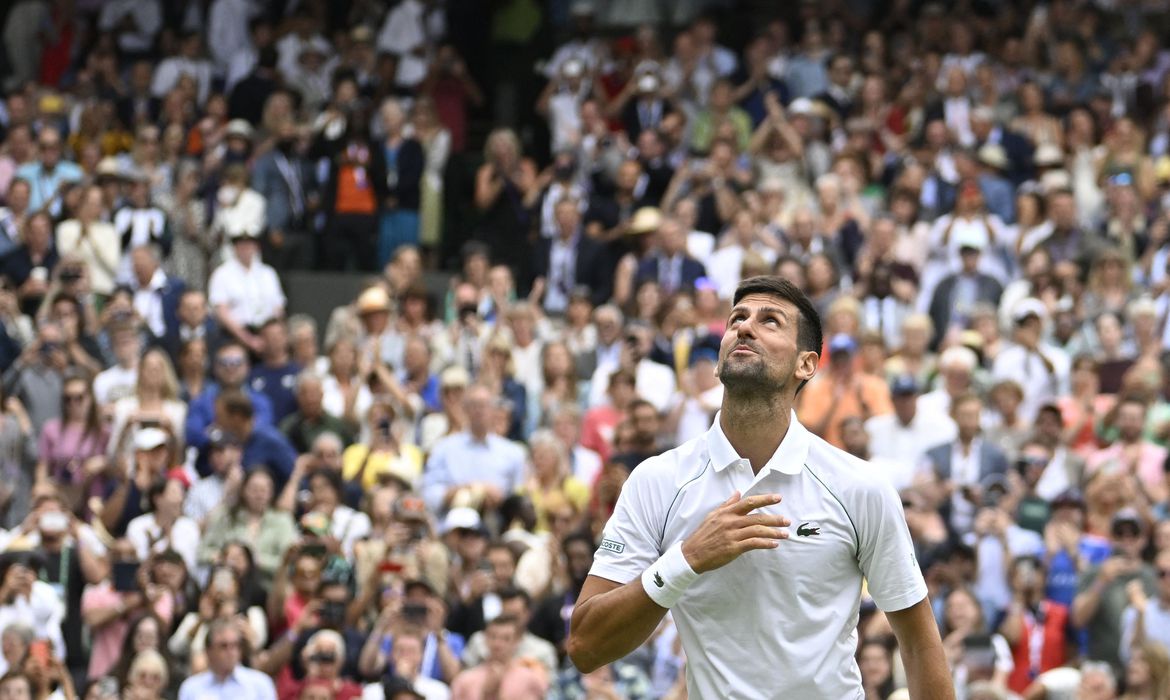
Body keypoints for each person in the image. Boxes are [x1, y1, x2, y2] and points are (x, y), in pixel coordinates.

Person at [567, 276, 952, 699]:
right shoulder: (656, 480)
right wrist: (687, 560)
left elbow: (918, 644)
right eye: (737, 319)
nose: (744, 327)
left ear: (806, 364)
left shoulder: (861, 486)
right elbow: (585, 646)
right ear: (719, 359)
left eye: (770, 321)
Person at [177, 618, 277, 700]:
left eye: (234, 645)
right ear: (209, 651)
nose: (231, 652)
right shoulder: (191, 688)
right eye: (223, 646)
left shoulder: (260, 684)